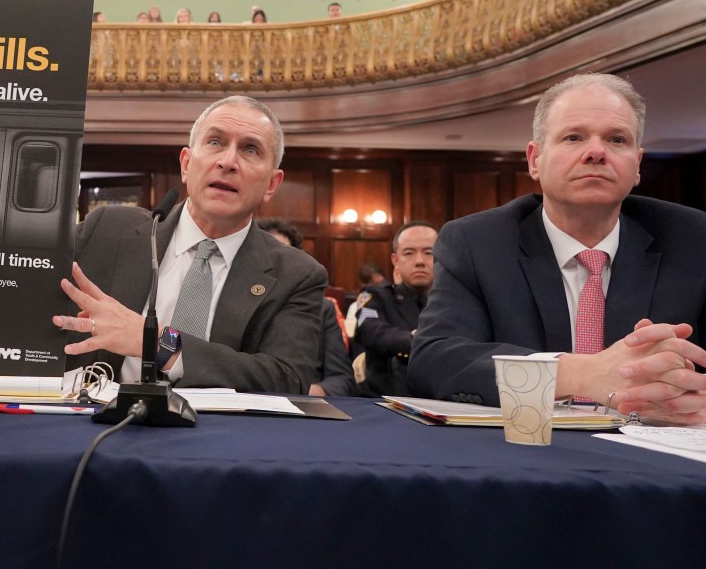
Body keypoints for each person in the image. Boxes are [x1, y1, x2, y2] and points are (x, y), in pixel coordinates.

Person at [410, 74, 706, 424]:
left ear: (637, 165)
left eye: (616, 139)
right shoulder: (478, 242)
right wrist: (581, 374)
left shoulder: (693, 240)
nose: (596, 152)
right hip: (525, 455)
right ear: (535, 160)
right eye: (573, 137)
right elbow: (435, 361)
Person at [54, 96, 328, 394]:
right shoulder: (108, 230)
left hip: (218, 435)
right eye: (215, 142)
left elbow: (286, 379)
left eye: (250, 149)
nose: (228, 162)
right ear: (186, 164)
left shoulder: (297, 274)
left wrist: (156, 343)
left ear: (272, 184)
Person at [258, 217, 355, 396]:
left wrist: (308, 392)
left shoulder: (323, 309)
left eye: (284, 256)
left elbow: (341, 379)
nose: (274, 265)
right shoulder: (231, 303)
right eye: (267, 254)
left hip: (304, 403)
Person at [354, 221, 438, 397]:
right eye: (409, 253)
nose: (420, 261)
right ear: (395, 261)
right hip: (386, 401)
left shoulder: (453, 303)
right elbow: (370, 330)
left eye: (429, 253)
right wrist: (422, 342)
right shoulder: (376, 296)